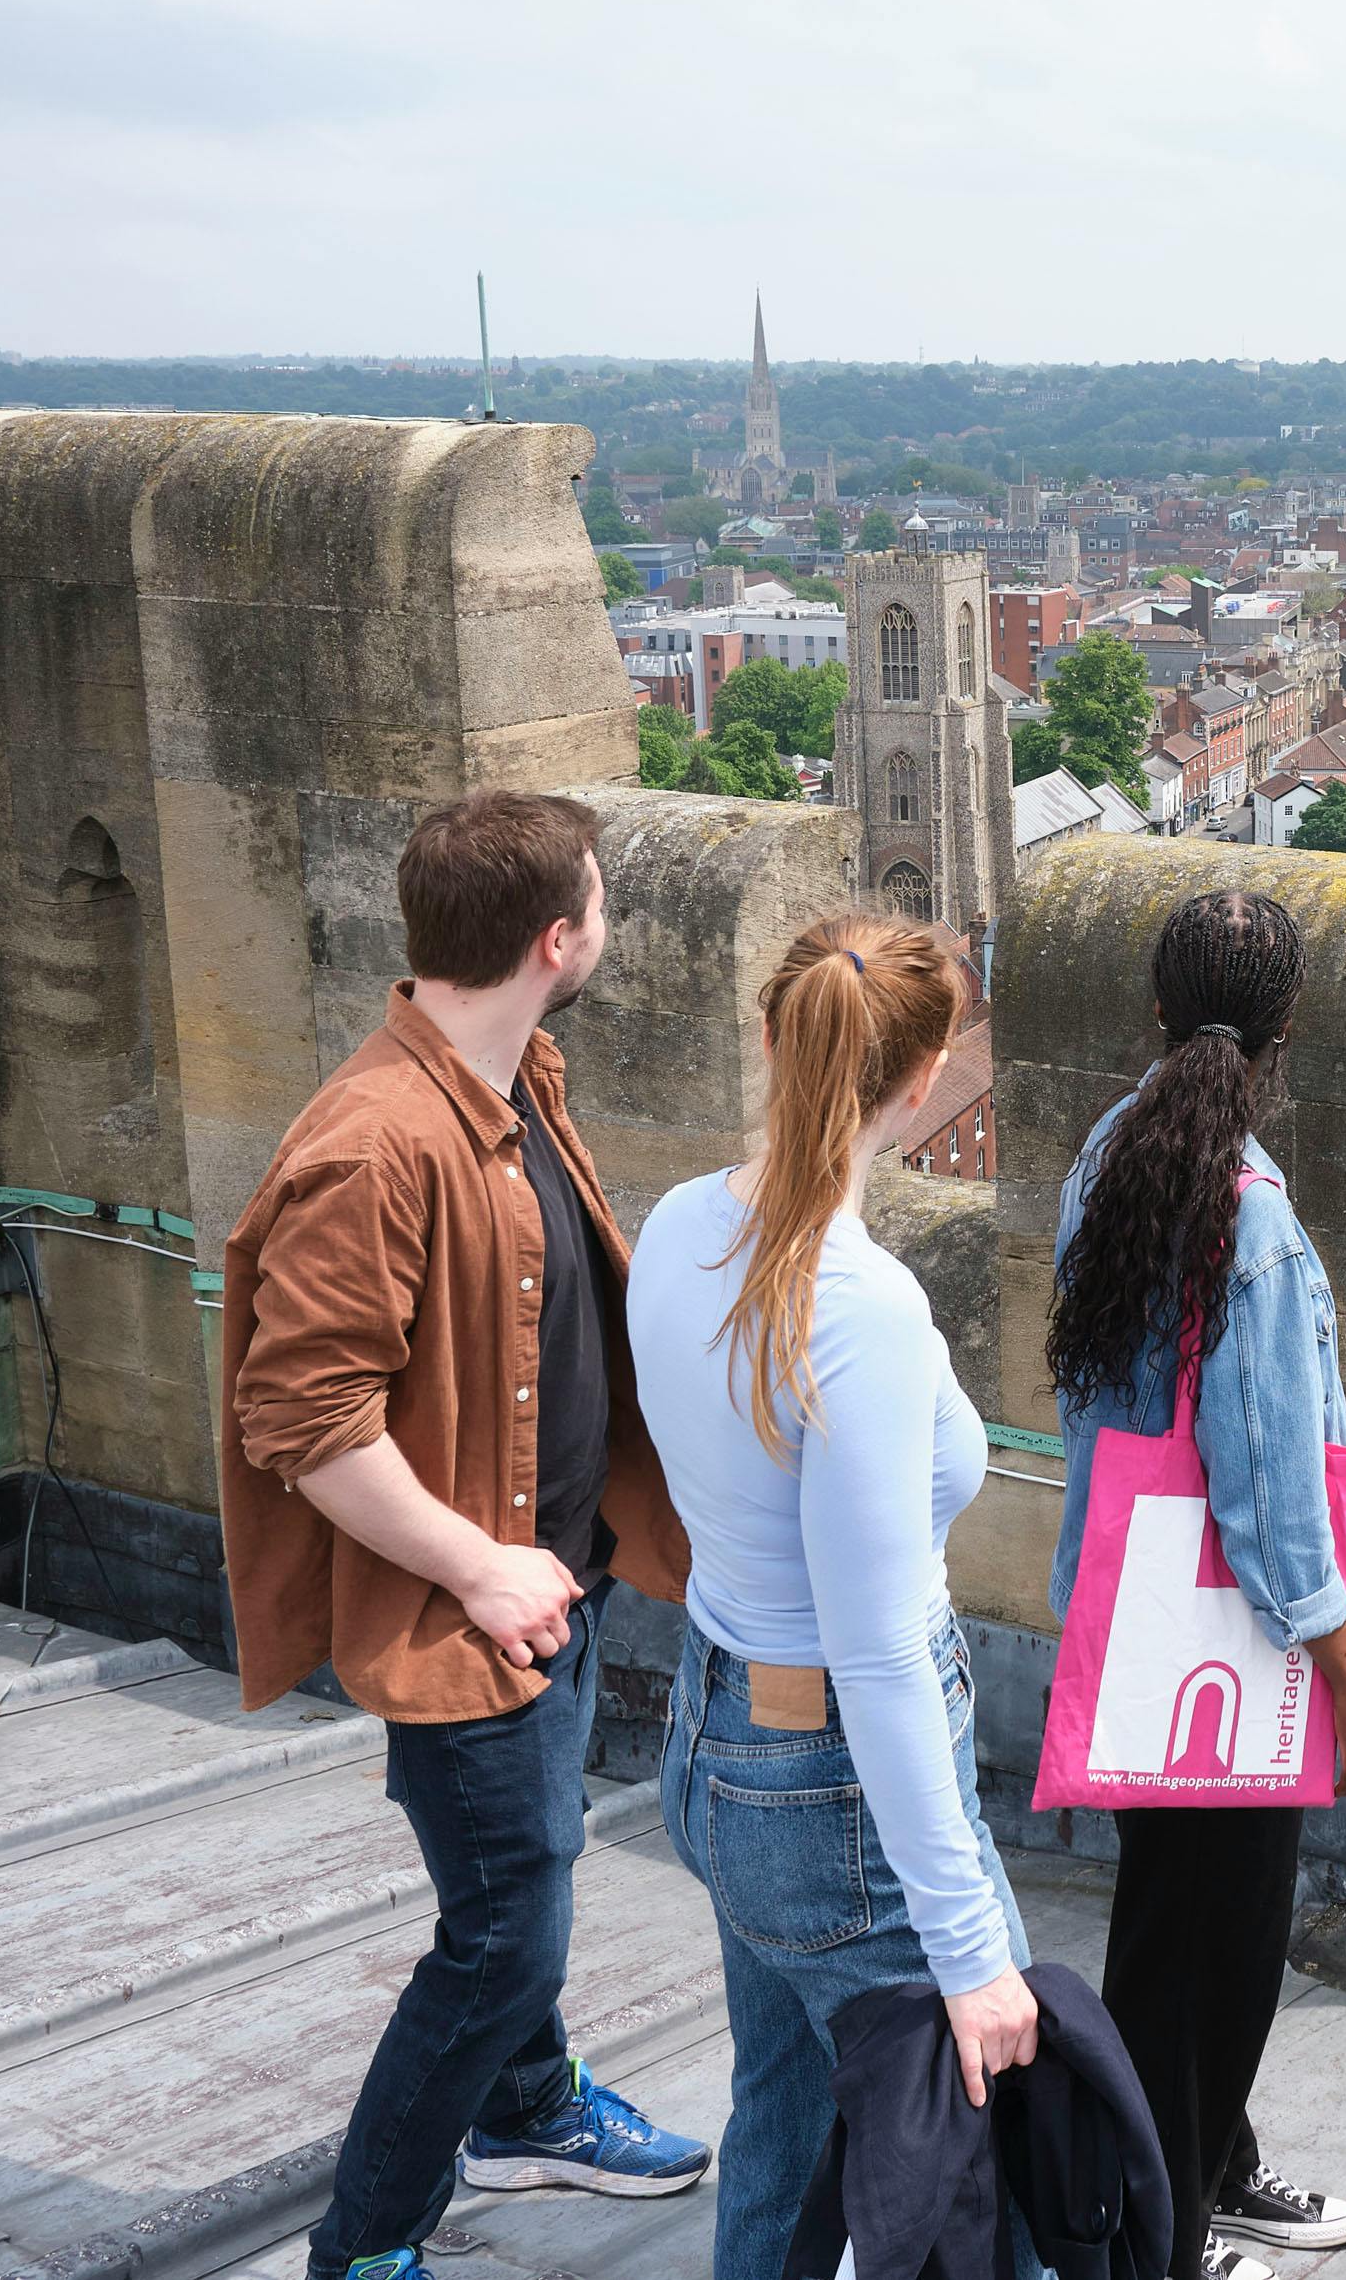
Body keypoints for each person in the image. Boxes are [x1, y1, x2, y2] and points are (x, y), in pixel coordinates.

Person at [219, 790, 712, 2280]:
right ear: (557, 938)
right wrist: (480, 1566)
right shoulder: (378, 1143)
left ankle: (526, 2106)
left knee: (512, 1889)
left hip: (552, 1577)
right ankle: (364, 2247)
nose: (608, 921)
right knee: (503, 1936)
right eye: (601, 901)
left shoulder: (510, 1080)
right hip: (468, 1609)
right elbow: (300, 1414)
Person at [626, 916, 1046, 2280]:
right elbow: (874, 1653)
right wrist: (970, 1950)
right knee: (984, 2170)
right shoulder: (859, 1307)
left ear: (770, 1035)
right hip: (831, 1789)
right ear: (924, 1082)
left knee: (787, 2122)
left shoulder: (676, 1226)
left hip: (716, 1741)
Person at [1045, 889, 1346, 2280]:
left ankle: (1209, 2170)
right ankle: (1159, 2238)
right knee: (1214, 1964)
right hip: (1235, 1650)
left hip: (1132, 1616)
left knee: (1165, 1930)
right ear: (1284, 1031)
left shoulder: (1109, 1153)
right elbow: (1271, 1496)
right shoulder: (1254, 1222)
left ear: (1156, 1012)